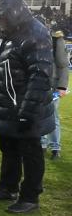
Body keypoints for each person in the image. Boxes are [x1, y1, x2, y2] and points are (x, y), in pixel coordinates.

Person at [0, 0, 55, 214]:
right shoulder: (10, 33)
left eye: (1, 18)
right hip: (11, 105)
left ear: (13, 14)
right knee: (9, 147)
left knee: (30, 151)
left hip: (26, 106)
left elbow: (40, 76)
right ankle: (7, 187)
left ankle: (30, 196)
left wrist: (27, 112)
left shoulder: (36, 33)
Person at [40, 29, 69, 160]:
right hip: (39, 84)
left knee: (52, 117)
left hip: (52, 86)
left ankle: (55, 147)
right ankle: (42, 144)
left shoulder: (57, 39)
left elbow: (63, 65)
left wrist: (62, 86)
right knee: (40, 115)